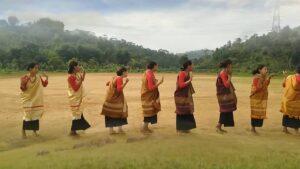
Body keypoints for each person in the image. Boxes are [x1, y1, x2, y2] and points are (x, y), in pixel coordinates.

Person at [20, 62, 48, 138]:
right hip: (28, 100)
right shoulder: (25, 77)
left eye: (37, 68)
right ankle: (23, 132)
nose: (37, 69)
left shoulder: (38, 77)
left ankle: (34, 132)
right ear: (30, 69)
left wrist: (47, 78)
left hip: (36, 100)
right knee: (28, 116)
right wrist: (24, 82)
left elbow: (44, 84)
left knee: (35, 115)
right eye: (35, 68)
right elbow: (23, 89)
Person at [101, 67, 129, 135]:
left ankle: (111, 130)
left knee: (110, 114)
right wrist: (126, 82)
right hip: (116, 99)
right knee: (120, 112)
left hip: (110, 99)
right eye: (126, 72)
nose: (127, 73)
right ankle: (120, 129)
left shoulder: (115, 77)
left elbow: (107, 83)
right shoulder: (119, 78)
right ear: (123, 72)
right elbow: (119, 89)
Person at [67, 61, 90, 136]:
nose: (79, 67)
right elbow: (76, 88)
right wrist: (80, 79)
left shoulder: (77, 74)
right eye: (78, 66)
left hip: (78, 97)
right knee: (77, 114)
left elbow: (81, 80)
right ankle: (72, 131)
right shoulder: (70, 77)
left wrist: (84, 74)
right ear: (74, 67)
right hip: (74, 98)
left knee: (79, 113)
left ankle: (74, 130)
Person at [141, 61, 164, 133]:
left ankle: (145, 127)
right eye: (156, 66)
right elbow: (150, 88)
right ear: (153, 66)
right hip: (149, 96)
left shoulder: (147, 72)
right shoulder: (150, 74)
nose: (157, 67)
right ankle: (144, 128)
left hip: (147, 95)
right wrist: (159, 82)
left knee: (149, 111)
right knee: (149, 111)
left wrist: (155, 81)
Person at [250, 65, 274, 134]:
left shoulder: (263, 77)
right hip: (256, 98)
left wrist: (269, 78)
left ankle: (253, 128)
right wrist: (263, 80)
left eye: (267, 69)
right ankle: (253, 129)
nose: (266, 71)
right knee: (255, 113)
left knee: (259, 113)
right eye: (265, 69)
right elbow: (257, 88)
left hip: (261, 98)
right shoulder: (257, 77)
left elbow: (265, 85)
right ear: (260, 70)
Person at [174, 60, 196, 133]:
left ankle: (185, 128)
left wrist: (189, 79)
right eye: (192, 65)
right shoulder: (182, 73)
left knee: (187, 110)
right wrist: (190, 80)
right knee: (181, 111)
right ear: (188, 66)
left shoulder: (188, 73)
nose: (193, 66)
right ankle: (180, 129)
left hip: (186, 95)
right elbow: (181, 85)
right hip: (181, 96)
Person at [216, 59, 237, 133]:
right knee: (224, 110)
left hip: (225, 95)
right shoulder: (223, 73)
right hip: (223, 95)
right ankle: (218, 126)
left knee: (226, 110)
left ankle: (219, 126)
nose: (231, 67)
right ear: (228, 66)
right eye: (231, 66)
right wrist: (230, 76)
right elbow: (226, 85)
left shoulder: (225, 72)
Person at [280, 66, 300, 134]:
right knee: (297, 115)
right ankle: (296, 130)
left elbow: (283, 84)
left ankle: (284, 129)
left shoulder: (289, 77)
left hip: (287, 99)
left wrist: (285, 76)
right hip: (296, 101)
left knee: (286, 114)